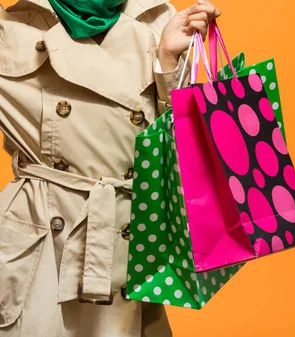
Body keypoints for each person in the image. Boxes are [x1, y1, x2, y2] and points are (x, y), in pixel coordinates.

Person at [0, 0, 219, 336]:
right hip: (41, 248)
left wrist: (167, 67)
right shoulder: (13, 25)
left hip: (126, 245)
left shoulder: (161, 20)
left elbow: (178, 160)